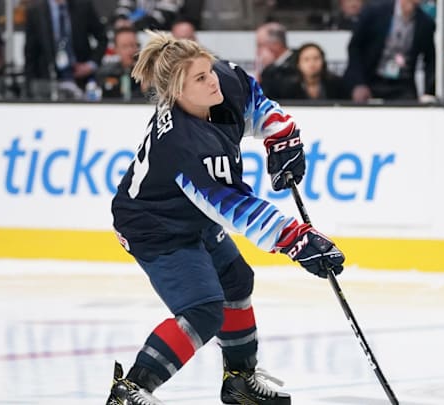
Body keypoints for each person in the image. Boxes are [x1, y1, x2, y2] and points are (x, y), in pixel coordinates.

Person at [106, 31, 345, 405]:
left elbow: (252, 98)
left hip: (191, 215)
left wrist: (280, 134)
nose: (212, 79)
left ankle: (240, 382)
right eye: (200, 79)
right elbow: (233, 206)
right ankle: (131, 389)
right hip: (153, 225)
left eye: (209, 69)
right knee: (203, 311)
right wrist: (295, 239)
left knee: (236, 282)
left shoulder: (222, 79)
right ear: (175, 94)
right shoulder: (185, 143)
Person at [344, 0, 435, 103]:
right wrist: (358, 83)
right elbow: (355, 47)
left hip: (402, 85)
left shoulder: (426, 23)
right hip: (371, 80)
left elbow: (430, 59)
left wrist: (429, 92)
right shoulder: (375, 11)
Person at [24, 0, 107, 97]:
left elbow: (102, 39)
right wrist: (29, 88)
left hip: (81, 81)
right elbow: (30, 53)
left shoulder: (84, 6)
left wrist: (91, 65)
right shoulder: (35, 11)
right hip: (47, 82)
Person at [278, 42, 349, 101]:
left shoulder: (337, 86)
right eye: (306, 59)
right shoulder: (287, 89)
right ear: (298, 64)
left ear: (323, 62)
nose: (312, 63)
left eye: (316, 58)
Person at [96, 26, 144, 100]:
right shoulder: (106, 73)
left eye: (133, 45)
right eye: (125, 46)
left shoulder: (146, 74)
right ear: (116, 49)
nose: (130, 51)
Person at [255, 22, 298, 99]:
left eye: (260, 45)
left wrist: (269, 70)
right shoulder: (270, 69)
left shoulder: (298, 63)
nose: (258, 51)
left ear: (276, 45)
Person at [113, 0, 184, 30]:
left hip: (160, 34)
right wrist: (121, 18)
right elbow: (124, 5)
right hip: (135, 32)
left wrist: (134, 24)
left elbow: (163, 15)